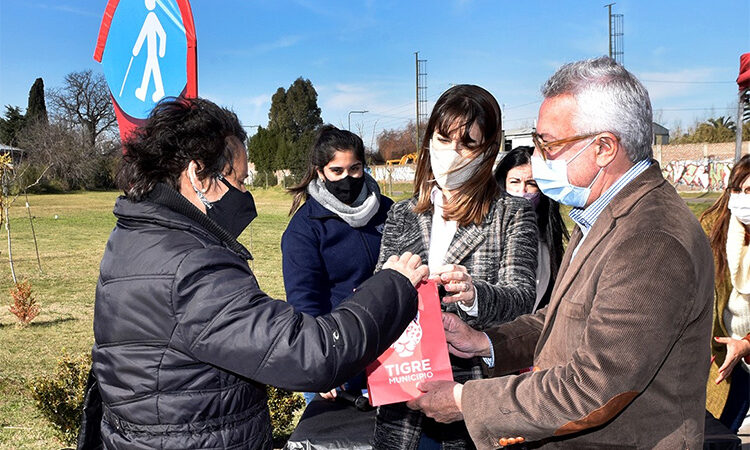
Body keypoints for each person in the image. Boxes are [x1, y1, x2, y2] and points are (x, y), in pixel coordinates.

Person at [407, 57, 714, 449]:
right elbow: (560, 323)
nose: (536, 158)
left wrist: (465, 400)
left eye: (548, 144)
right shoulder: (602, 216)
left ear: (603, 148)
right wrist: (484, 342)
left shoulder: (652, 240)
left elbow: (593, 388)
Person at [90, 97, 429, 449]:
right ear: (198, 175)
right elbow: (308, 353)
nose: (245, 194)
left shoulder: (135, 236)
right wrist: (394, 284)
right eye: (239, 180)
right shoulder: (190, 265)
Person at [372, 84, 538, 449]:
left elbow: (522, 297)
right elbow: (380, 285)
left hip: (473, 393)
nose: (452, 154)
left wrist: (475, 295)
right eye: (443, 140)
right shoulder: (403, 213)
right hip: (404, 394)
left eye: (468, 144)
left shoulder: (512, 214)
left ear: (489, 150)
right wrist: (381, 290)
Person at [282, 125, 393, 403]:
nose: (347, 178)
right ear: (320, 171)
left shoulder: (389, 211)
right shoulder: (305, 228)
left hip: (392, 353)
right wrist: (324, 364)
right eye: (337, 171)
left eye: (355, 169)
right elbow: (304, 302)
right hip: (338, 358)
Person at [703, 154, 750, 433]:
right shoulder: (712, 231)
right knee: (719, 432)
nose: (744, 199)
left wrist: (746, 344)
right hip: (725, 355)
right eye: (739, 191)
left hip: (744, 346)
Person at [494, 146, 570, 311]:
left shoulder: (546, 237)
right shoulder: (491, 229)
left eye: (531, 184)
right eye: (514, 182)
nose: (522, 190)